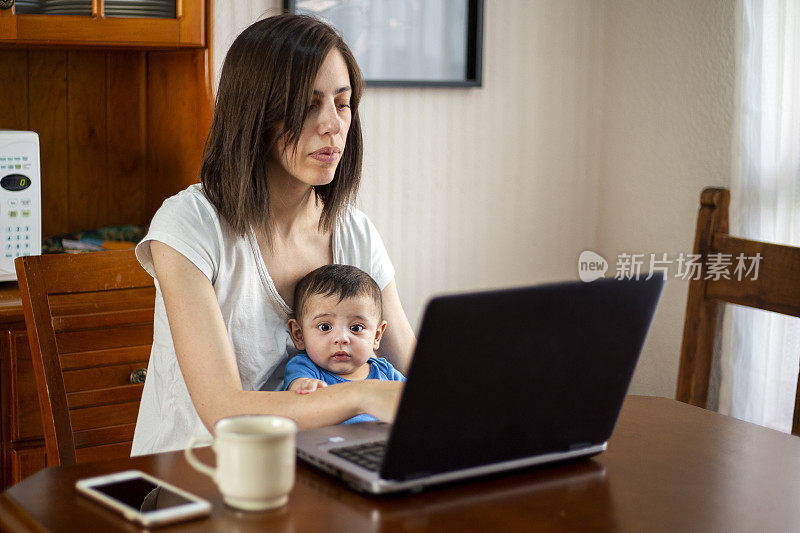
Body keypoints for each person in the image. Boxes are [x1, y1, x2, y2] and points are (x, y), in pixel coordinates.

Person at [130, 14, 416, 456]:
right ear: (255, 112)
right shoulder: (188, 225)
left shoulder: (354, 231)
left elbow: (418, 377)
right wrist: (361, 396)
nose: (333, 125)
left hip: (317, 471)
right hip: (195, 481)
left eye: (342, 103)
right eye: (307, 104)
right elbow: (223, 412)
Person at [282, 264, 406, 424]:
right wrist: (306, 388)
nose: (341, 338)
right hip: (331, 444)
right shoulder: (305, 369)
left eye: (356, 328)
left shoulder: (385, 371)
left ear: (376, 336)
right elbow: (298, 394)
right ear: (299, 335)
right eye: (325, 327)